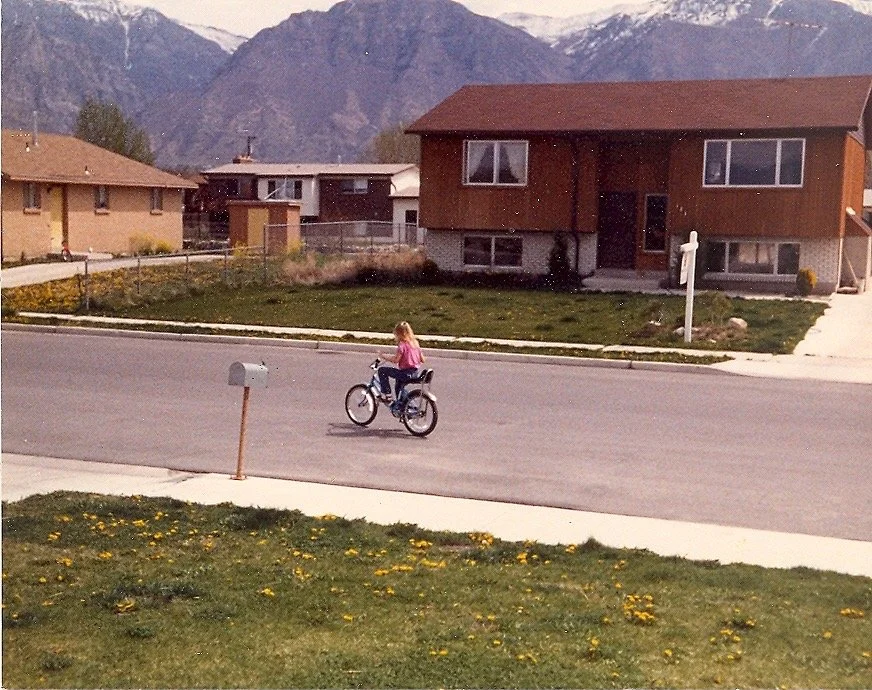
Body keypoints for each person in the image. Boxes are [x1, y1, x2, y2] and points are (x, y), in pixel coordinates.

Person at [377, 321, 424, 403]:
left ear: (399, 334)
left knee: (382, 371)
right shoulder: (415, 343)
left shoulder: (402, 345)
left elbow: (396, 360)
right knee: (398, 385)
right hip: (415, 373)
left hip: (405, 373)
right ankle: (403, 405)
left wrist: (383, 356)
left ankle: (387, 396)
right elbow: (422, 359)